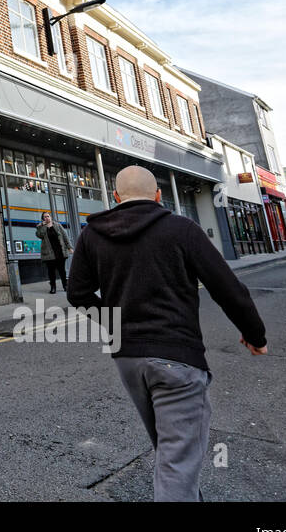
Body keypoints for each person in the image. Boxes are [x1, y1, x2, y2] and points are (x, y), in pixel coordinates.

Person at [67, 164, 268, 501]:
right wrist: (255, 335)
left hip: (128, 358)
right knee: (177, 460)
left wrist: (117, 324)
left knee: (171, 450)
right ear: (159, 195)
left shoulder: (92, 235)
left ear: (115, 197)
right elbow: (228, 288)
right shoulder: (181, 229)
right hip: (176, 356)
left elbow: (78, 295)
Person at [35, 211, 72, 294]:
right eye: (45, 217)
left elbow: (65, 236)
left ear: (50, 217)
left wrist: (69, 247)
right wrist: (43, 226)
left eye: (48, 216)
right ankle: (53, 287)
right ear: (43, 219)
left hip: (60, 251)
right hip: (49, 253)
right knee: (51, 271)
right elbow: (39, 235)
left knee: (62, 270)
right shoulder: (41, 228)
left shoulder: (58, 225)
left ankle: (65, 285)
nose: (47, 218)